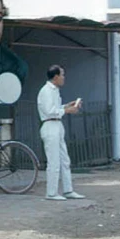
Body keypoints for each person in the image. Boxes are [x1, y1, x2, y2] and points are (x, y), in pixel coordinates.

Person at [37, 65, 85, 201]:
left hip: (57, 124)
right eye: (62, 75)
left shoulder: (54, 91)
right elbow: (49, 111)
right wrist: (66, 111)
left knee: (64, 160)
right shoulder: (46, 91)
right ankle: (51, 192)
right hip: (50, 124)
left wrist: (66, 106)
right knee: (54, 161)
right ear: (56, 76)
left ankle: (68, 190)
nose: (64, 78)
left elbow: (55, 108)